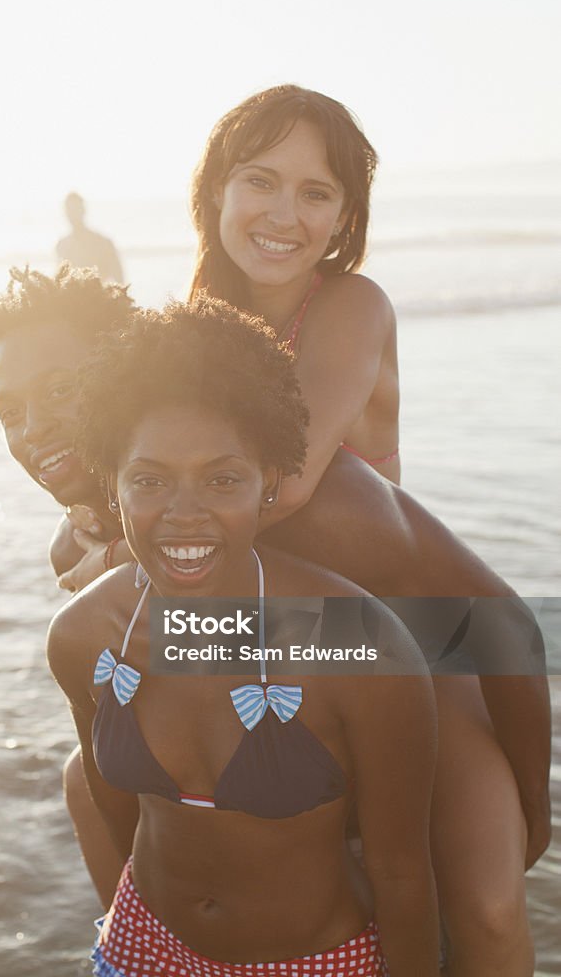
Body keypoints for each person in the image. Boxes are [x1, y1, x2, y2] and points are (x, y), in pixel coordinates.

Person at [187, 84, 548, 975]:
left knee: (489, 909)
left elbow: (291, 477)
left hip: (410, 643)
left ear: (347, 215)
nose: (284, 214)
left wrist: (125, 541)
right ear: (214, 193)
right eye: (260, 181)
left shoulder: (349, 303)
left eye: (317, 193)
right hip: (270, 646)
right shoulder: (183, 330)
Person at [48, 297, 440, 976]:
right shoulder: (83, 635)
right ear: (112, 486)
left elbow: (402, 873)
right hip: (142, 948)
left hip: (318, 964)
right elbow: (116, 810)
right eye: (149, 480)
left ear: (269, 483)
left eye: (222, 479)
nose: (184, 514)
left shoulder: (358, 647)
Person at [0, 263, 134, 905]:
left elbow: (437, 635)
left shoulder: (223, 492)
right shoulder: (73, 546)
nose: (32, 428)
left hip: (366, 719)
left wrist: (135, 563)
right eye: (10, 411)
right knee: (82, 781)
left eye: (61, 390)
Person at [57, 192, 125, 284]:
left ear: (83, 211)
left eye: (76, 210)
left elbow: (120, 279)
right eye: (70, 210)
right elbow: (59, 280)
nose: (73, 215)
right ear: (65, 213)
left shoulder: (103, 242)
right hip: (72, 297)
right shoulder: (62, 245)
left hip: (99, 296)